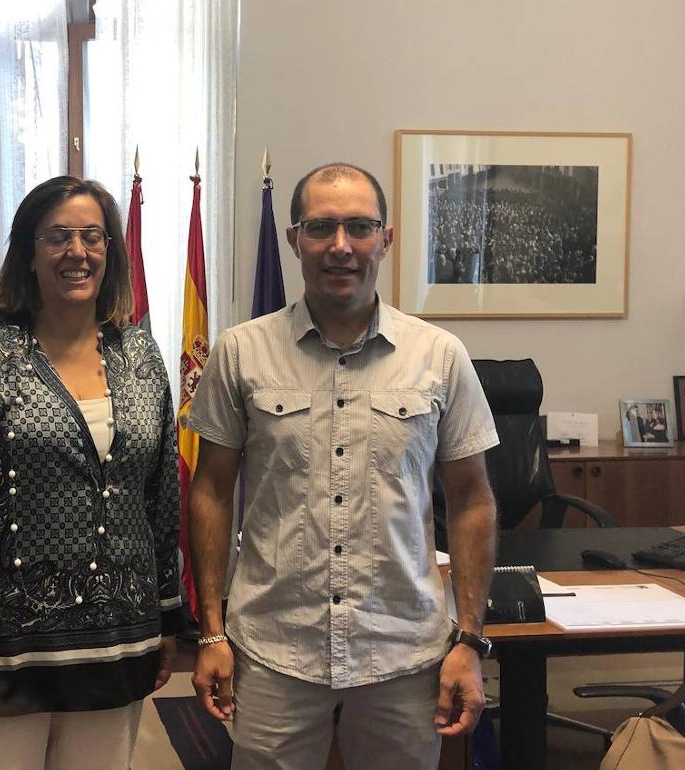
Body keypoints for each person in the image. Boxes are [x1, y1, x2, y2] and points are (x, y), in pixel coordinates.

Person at [185, 163, 500, 770]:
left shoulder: (439, 356)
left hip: (402, 649)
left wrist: (468, 638)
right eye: (321, 227)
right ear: (293, 238)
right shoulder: (240, 351)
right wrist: (211, 631)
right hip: (275, 646)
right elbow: (212, 492)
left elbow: (471, 499)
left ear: (385, 238)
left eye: (359, 227)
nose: (340, 246)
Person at [0, 176, 181, 770]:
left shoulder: (141, 357)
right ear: (28, 253)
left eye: (92, 237)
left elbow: (161, 498)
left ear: (110, 252)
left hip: (119, 641)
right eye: (58, 237)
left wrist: (166, 618)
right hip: (5, 650)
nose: (76, 252)